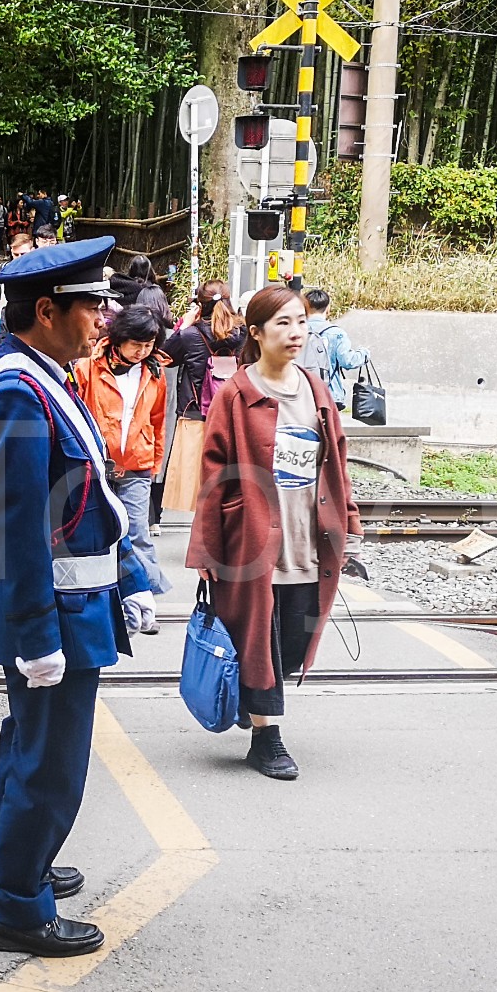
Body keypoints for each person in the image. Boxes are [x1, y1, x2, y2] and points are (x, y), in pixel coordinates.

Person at [0, 235, 156, 957]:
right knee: (50, 765)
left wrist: (132, 579)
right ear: (47, 310)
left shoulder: (43, 375)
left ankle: (19, 869)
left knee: (33, 751)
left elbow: (89, 499)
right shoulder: (20, 389)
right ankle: (16, 907)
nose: (104, 320)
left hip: (72, 609)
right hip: (53, 619)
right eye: (93, 307)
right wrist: (37, 636)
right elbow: (15, 529)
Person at [187, 284, 364, 782]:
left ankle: (255, 699)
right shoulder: (237, 392)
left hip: (310, 537)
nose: (295, 333)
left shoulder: (315, 388)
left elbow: (338, 464)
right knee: (259, 638)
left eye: (301, 322)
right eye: (283, 323)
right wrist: (207, 546)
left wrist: (349, 523)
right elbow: (213, 472)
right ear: (257, 333)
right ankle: (267, 739)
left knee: (292, 636)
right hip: (252, 539)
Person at [72, 304, 170, 607]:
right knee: (97, 529)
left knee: (138, 531)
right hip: (97, 464)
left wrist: (155, 461)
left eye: (149, 345)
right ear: (118, 338)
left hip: (137, 463)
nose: (142, 351)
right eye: (136, 344)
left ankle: (145, 597)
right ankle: (99, 595)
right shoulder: (88, 366)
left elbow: (158, 418)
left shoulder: (154, 373)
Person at [160, 283, 244, 512]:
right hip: (232, 413)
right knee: (229, 481)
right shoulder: (242, 333)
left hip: (195, 412)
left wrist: (183, 325)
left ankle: (203, 534)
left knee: (195, 483)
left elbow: (164, 357)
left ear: (200, 305)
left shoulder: (189, 335)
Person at [302, 288, 370, 409]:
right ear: (328, 309)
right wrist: (364, 354)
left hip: (301, 394)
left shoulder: (295, 331)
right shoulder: (336, 333)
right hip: (329, 395)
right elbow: (348, 361)